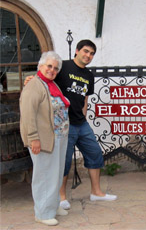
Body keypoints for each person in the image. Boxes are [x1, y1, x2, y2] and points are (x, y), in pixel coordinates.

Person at [25, 40, 117, 211]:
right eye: (85, 51)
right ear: (77, 51)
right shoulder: (63, 66)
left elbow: (85, 98)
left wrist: (84, 115)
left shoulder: (89, 75)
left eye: (91, 53)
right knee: (64, 162)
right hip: (63, 126)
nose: (88, 55)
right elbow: (46, 78)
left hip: (81, 124)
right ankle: (61, 198)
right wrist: (32, 79)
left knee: (95, 153)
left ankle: (96, 192)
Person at [20, 51, 70, 226]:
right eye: (49, 66)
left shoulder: (51, 84)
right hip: (43, 139)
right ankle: (42, 213)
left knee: (55, 174)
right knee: (44, 176)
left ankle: (53, 206)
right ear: (40, 66)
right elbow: (28, 114)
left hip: (58, 137)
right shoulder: (34, 85)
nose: (52, 70)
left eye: (55, 68)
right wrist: (33, 138)